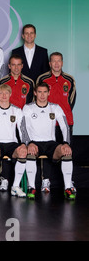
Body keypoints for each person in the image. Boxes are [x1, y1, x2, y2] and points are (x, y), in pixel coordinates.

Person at [22, 82, 75, 200]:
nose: (42, 95)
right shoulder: (28, 107)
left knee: (66, 152)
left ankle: (68, 187)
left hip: (51, 143)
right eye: (39, 92)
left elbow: (65, 126)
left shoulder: (55, 107)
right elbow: (23, 127)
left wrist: (66, 143)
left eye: (45, 92)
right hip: (34, 142)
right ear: (35, 93)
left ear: (48, 93)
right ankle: (32, 187)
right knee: (30, 152)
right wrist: (28, 142)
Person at [36, 52, 76, 192]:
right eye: (54, 61)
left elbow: (71, 100)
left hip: (66, 122)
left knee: (66, 150)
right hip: (48, 122)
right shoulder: (43, 78)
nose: (56, 63)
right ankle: (45, 180)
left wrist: (63, 114)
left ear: (62, 62)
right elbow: (38, 98)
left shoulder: (69, 79)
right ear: (50, 63)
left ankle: (68, 181)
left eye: (59, 61)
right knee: (47, 150)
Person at [0, 84, 28, 198]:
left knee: (23, 152)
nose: (4, 95)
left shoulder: (17, 110)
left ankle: (15, 186)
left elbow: (23, 129)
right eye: (1, 93)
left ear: (10, 94)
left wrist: (24, 144)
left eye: (6, 93)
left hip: (11, 143)